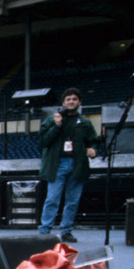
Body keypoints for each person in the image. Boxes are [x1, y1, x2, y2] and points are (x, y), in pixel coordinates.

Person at [38, 87, 99, 243]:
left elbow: (93, 141)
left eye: (74, 99)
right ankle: (45, 231)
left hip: (77, 164)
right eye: (68, 99)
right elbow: (43, 141)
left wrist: (94, 150)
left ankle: (66, 231)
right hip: (57, 164)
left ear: (79, 102)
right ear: (63, 102)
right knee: (52, 199)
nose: (71, 101)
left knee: (72, 200)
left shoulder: (85, 123)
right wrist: (56, 126)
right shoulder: (52, 119)